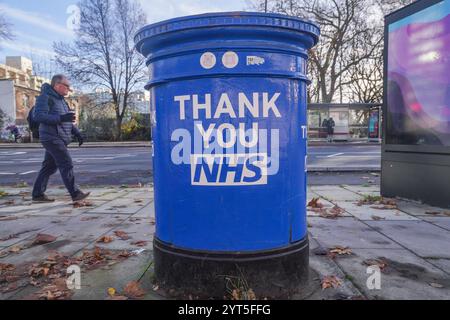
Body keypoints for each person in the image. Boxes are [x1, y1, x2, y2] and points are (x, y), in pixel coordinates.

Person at [32, 75, 90, 203]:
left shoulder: (62, 101)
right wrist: (61, 118)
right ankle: (75, 194)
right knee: (66, 163)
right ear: (58, 85)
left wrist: (77, 133)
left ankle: (37, 194)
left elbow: (67, 120)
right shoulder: (45, 97)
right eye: (67, 86)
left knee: (49, 167)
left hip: (58, 137)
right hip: (51, 137)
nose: (69, 89)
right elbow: (39, 116)